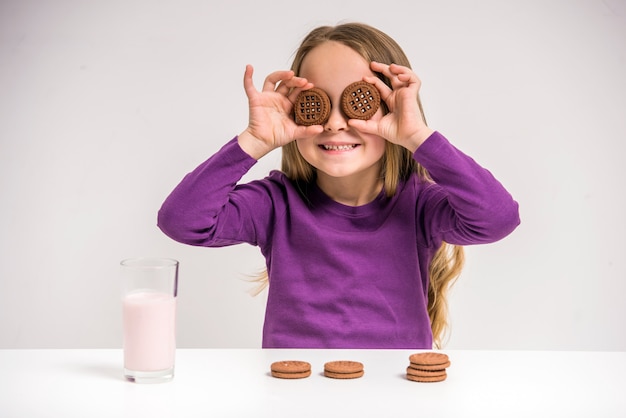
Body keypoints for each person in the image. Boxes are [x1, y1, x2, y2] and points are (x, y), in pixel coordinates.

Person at [157, 22, 520, 349]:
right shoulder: (275, 204)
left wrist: (417, 136)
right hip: (294, 391)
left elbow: (498, 219)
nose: (333, 122)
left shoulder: (420, 205)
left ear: (395, 106)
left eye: (359, 103)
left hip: (394, 393)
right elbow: (181, 222)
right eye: (317, 102)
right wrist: (254, 140)